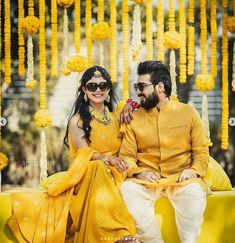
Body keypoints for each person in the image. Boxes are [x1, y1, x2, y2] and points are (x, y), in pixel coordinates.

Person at [7, 66, 138, 243]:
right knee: (97, 166)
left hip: (117, 173)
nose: (98, 90)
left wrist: (131, 104)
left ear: (109, 89)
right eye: (92, 86)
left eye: (103, 85)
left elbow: (145, 103)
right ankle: (116, 234)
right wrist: (107, 159)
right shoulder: (78, 121)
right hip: (87, 173)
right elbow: (85, 152)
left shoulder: (117, 117)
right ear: (84, 89)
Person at [119, 61, 209, 243]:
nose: (138, 92)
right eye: (137, 86)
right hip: (146, 181)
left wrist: (193, 170)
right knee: (127, 189)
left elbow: (201, 152)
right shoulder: (133, 117)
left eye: (142, 86)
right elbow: (126, 157)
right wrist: (140, 172)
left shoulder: (188, 113)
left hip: (180, 180)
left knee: (194, 194)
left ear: (160, 87)